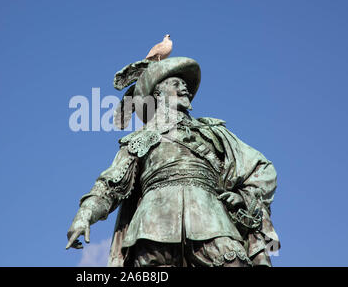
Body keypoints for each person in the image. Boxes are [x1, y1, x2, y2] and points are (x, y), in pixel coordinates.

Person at [66, 57, 279, 267]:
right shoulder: (140, 138)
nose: (185, 88)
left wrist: (243, 197)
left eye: (186, 85)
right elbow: (111, 183)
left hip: (212, 218)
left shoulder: (214, 133)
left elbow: (262, 169)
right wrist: (84, 216)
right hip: (153, 226)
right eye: (176, 83)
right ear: (157, 94)